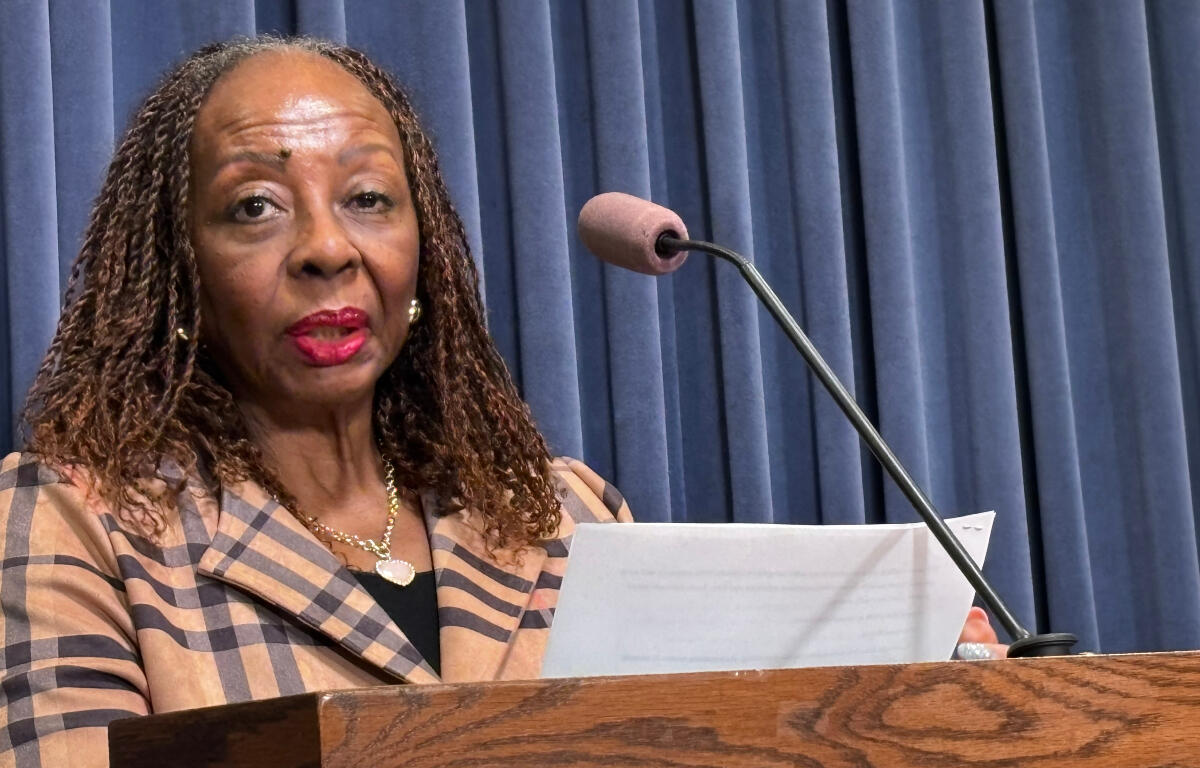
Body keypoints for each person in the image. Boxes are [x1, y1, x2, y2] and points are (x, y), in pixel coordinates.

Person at [0, 36, 999, 766]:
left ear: (421, 248)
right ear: (182, 273)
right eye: (254, 206)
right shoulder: (84, 519)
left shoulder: (557, 513)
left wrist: (914, 689)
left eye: (367, 198)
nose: (326, 247)